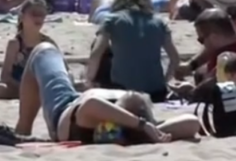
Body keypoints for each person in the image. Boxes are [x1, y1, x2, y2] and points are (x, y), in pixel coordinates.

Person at [15, 42, 200, 143]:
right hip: (80, 102)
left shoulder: (103, 121)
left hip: (63, 106)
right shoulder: (143, 130)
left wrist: (141, 124)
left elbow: (91, 104)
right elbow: (192, 122)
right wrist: (150, 126)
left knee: (43, 51)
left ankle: (23, 129)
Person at [87, 0, 178, 102]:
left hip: (121, 91)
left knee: (102, 48)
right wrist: (165, 81)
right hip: (155, 92)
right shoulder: (159, 22)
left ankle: (97, 84)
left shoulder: (112, 19)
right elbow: (175, 59)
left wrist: (89, 80)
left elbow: (96, 53)